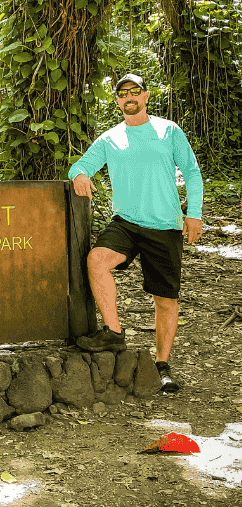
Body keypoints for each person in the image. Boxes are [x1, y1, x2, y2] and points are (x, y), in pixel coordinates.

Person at [68, 73, 203, 393]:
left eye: (134, 91)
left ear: (145, 96)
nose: (129, 97)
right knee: (97, 260)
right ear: (117, 101)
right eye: (122, 93)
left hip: (165, 225)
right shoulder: (109, 139)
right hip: (126, 222)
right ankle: (113, 334)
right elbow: (79, 166)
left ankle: (162, 364)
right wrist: (80, 176)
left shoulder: (168, 130)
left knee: (165, 300)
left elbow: (192, 172)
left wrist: (193, 215)